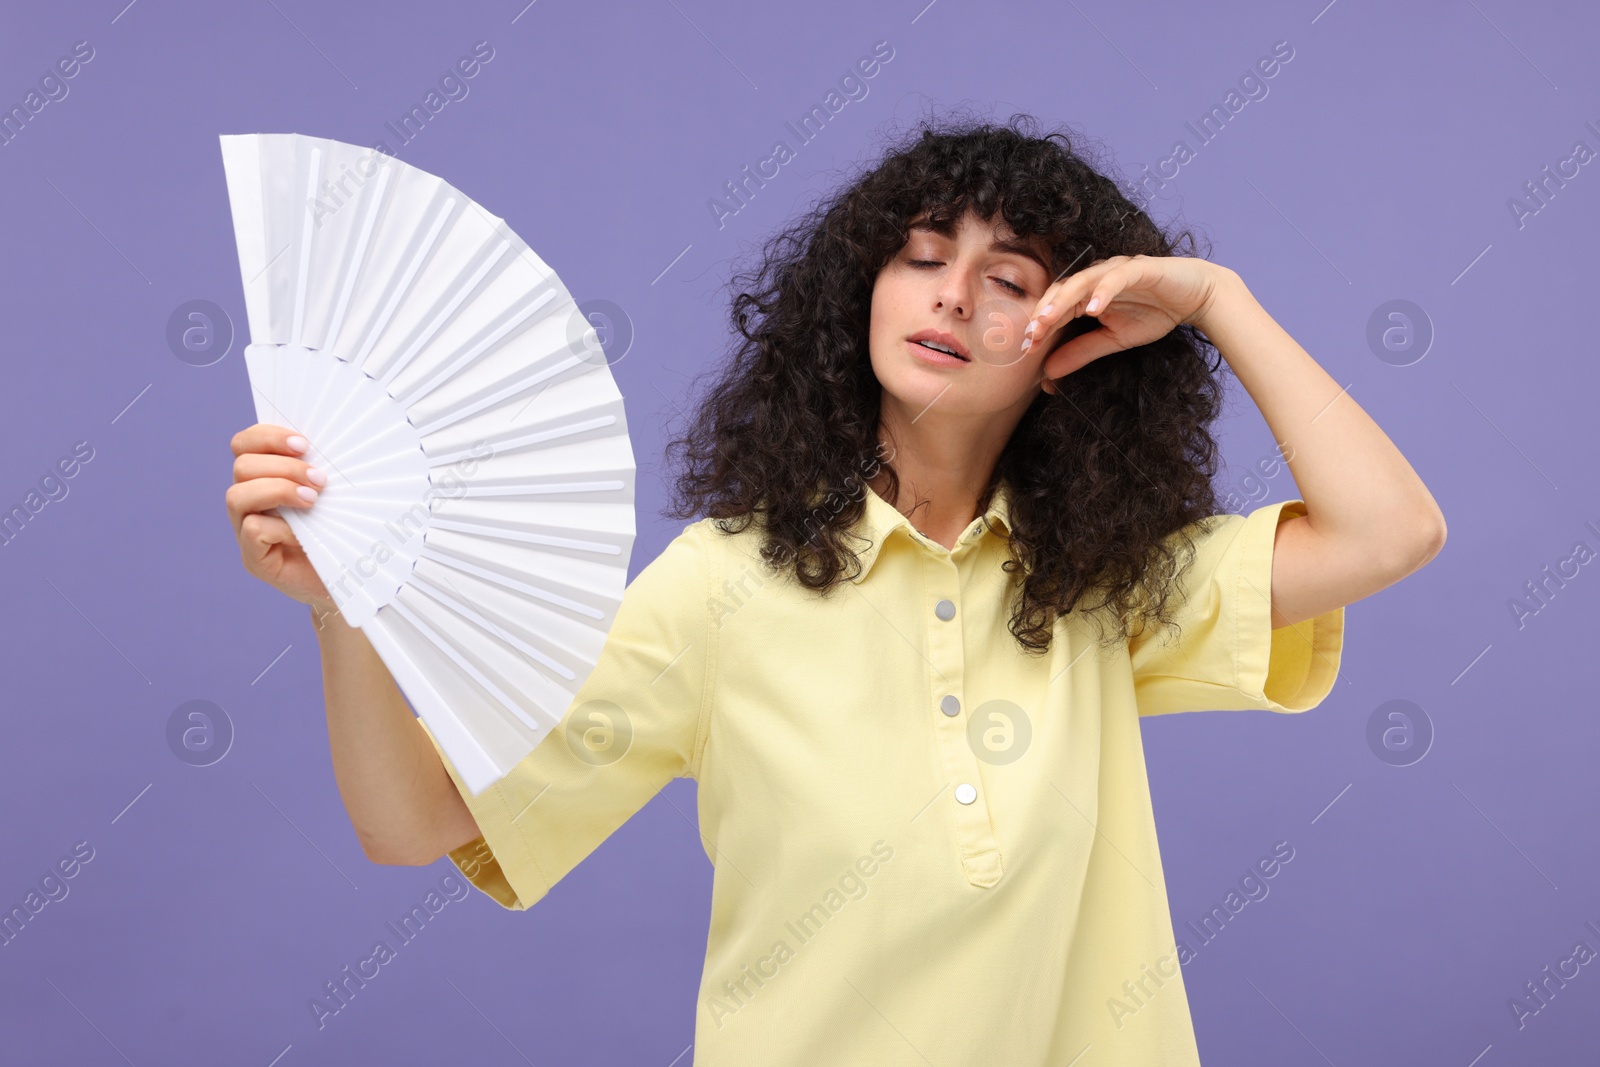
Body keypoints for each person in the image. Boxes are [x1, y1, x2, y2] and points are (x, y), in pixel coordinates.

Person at [226, 114, 1445, 1065]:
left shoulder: (1097, 586)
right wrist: (343, 603)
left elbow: (1390, 530)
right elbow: (412, 821)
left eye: (1011, 278)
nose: (954, 295)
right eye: (921, 257)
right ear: (854, 297)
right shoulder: (719, 585)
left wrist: (1215, 300)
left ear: (1074, 338)